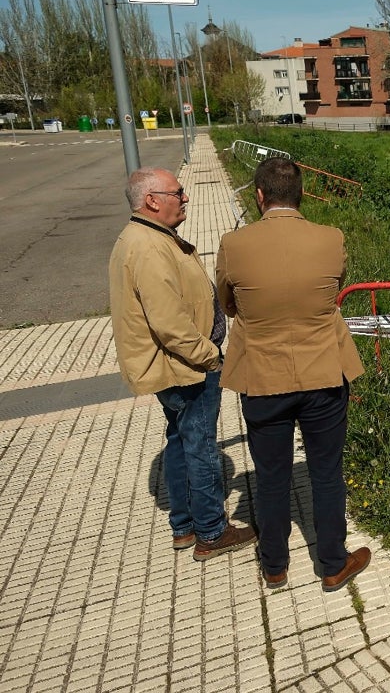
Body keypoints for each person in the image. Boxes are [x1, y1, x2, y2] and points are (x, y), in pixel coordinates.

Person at [216, 158, 370, 591]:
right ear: (300, 195)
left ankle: (274, 566)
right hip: (323, 370)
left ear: (259, 196)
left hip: (262, 377)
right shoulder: (330, 238)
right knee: (326, 471)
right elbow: (336, 286)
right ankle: (333, 563)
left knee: (269, 475)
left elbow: (227, 302)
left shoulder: (233, 243)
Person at [109, 167, 257, 561]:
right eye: (178, 192)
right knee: (200, 446)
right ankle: (212, 531)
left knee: (179, 440)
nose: (186, 197)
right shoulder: (148, 247)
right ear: (153, 200)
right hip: (185, 367)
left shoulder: (149, 237)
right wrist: (212, 357)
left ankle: (184, 526)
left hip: (175, 365)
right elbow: (170, 324)